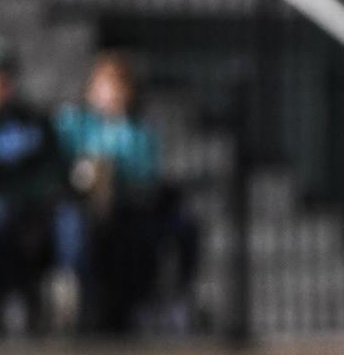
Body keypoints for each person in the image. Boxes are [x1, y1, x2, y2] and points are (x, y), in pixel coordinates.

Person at [56, 51, 199, 334]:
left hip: (127, 210)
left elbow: (145, 176)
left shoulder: (138, 131)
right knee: (74, 230)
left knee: (142, 238)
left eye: (118, 87)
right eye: (105, 86)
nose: (111, 95)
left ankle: (134, 308)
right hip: (80, 209)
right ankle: (79, 300)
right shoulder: (72, 123)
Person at [0, 36, 66, 336]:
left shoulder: (34, 122)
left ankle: (33, 300)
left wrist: (25, 194)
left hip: (32, 211)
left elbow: (53, 169)